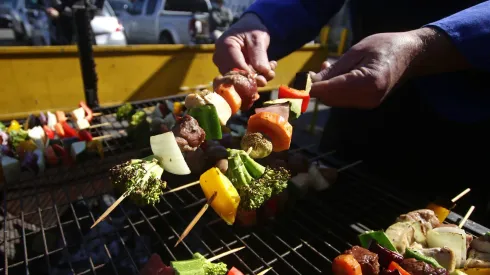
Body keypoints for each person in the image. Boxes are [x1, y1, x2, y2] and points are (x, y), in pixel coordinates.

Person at [213, 0, 490, 221]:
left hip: (463, 131)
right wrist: (262, 20)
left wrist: (428, 45)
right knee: (325, 204)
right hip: (355, 102)